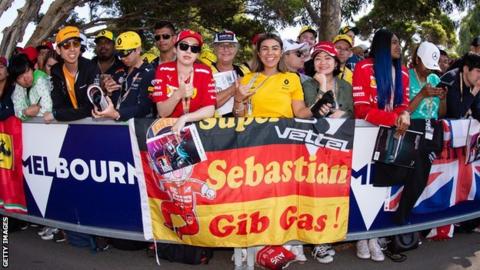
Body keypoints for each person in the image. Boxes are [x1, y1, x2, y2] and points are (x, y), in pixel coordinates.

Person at [352, 28, 410, 262]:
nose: (398, 47)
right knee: (362, 186)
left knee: (382, 187)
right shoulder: (364, 67)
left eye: (399, 43)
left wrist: (403, 114)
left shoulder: (403, 72)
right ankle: (359, 236)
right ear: (382, 45)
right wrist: (395, 119)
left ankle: (374, 237)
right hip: (365, 134)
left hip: (392, 136)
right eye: (393, 43)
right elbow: (362, 109)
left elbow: (402, 103)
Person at [233, 33, 319, 119]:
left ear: (281, 53)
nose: (270, 53)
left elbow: (300, 112)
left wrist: (318, 107)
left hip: (281, 131)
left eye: (275, 48)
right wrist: (238, 100)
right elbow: (239, 116)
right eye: (265, 48)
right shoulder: (247, 78)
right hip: (253, 131)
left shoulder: (293, 78)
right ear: (259, 54)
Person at [152, 29, 216, 134]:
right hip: (169, 129)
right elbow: (162, 112)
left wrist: (184, 118)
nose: (188, 51)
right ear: (175, 49)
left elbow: (210, 109)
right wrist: (178, 94)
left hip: (198, 129)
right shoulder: (163, 70)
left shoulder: (205, 71)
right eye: (184, 46)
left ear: (198, 54)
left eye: (194, 48)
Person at [92, 31, 153, 121]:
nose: (123, 58)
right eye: (120, 53)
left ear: (138, 49)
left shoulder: (149, 72)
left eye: (126, 53)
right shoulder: (119, 71)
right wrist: (107, 93)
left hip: (138, 127)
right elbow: (115, 101)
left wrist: (117, 114)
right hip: (116, 124)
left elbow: (145, 107)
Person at [47, 26, 100, 122]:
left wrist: (57, 115)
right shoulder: (55, 71)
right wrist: (59, 114)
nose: (72, 49)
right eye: (66, 45)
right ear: (59, 50)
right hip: (67, 125)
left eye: (76, 44)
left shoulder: (91, 68)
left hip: (91, 123)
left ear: (80, 47)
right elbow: (57, 105)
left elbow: (90, 108)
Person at [304, 41, 353, 118]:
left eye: (327, 58)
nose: (323, 62)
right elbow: (313, 111)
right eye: (318, 59)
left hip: (343, 128)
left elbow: (353, 113)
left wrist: (343, 115)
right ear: (313, 64)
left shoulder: (346, 86)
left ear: (336, 63)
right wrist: (322, 85)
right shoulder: (307, 84)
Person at [208, 30, 250, 117]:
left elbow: (249, 104)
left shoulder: (245, 71)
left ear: (236, 49)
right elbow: (207, 105)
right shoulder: (206, 72)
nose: (226, 49)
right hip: (212, 127)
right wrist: (233, 89)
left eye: (230, 46)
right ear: (214, 49)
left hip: (241, 125)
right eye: (221, 45)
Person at [8, 54, 53, 122]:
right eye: (20, 77)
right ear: (15, 81)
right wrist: (25, 112)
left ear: (32, 68)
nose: (26, 78)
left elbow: (48, 110)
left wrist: (28, 113)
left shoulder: (41, 79)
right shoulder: (19, 86)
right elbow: (17, 111)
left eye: (27, 71)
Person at [408, 41, 445, 120]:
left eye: (432, 66)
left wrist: (443, 99)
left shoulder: (435, 79)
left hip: (432, 129)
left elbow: (441, 114)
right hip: (411, 129)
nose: (430, 69)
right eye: (427, 65)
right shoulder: (406, 77)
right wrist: (421, 95)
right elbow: (401, 114)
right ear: (417, 60)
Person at [443, 52, 480, 120]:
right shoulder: (452, 79)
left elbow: (477, 112)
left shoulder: (472, 82)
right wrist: (475, 90)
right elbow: (456, 114)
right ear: (465, 69)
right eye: (478, 71)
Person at [0, 56, 14, 120]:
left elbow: (15, 110)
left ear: (8, 72)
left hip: (7, 129)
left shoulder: (14, 91)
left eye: (1, 67)